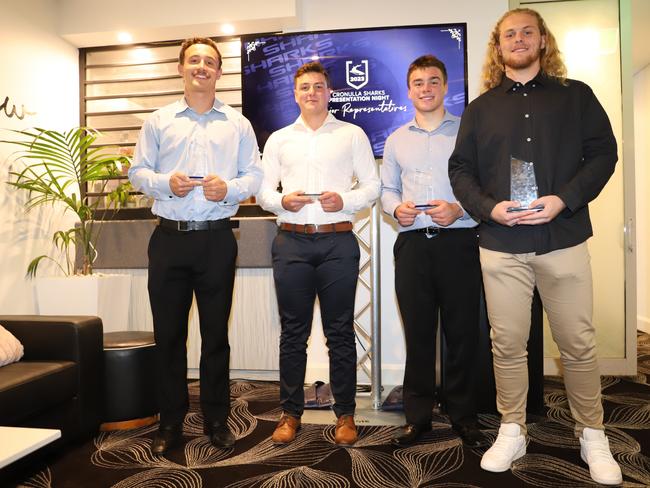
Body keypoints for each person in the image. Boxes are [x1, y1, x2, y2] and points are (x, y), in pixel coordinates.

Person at [448, 8, 622, 485]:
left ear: (542, 41)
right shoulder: (480, 108)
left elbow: (604, 153)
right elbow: (460, 168)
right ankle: (512, 427)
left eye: (528, 32)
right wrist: (488, 207)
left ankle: (593, 433)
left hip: (561, 237)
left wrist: (563, 198)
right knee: (506, 345)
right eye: (509, 34)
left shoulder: (576, 96)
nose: (519, 39)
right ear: (498, 47)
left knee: (578, 344)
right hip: (502, 242)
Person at [129, 37, 263, 456]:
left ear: (219, 72)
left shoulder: (238, 124)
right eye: (193, 61)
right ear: (181, 69)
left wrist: (230, 189)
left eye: (209, 61)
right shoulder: (157, 120)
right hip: (168, 239)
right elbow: (136, 173)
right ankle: (169, 422)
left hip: (216, 241)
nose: (201, 67)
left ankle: (217, 420)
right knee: (169, 336)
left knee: (215, 337)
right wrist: (163, 182)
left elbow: (254, 177)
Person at [257, 61, 380, 446]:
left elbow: (373, 187)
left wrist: (343, 198)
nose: (311, 92)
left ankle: (345, 414)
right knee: (293, 334)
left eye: (319, 86)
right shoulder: (278, 139)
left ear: (330, 92)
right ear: (295, 94)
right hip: (290, 242)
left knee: (339, 331)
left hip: (337, 243)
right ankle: (290, 414)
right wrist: (282, 201)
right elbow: (263, 193)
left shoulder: (353, 134)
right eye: (304, 87)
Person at [380, 55, 484, 448]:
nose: (426, 88)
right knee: (419, 335)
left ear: (445, 87)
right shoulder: (395, 139)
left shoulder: (468, 132)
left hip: (458, 243)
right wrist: (395, 209)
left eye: (433, 81)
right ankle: (418, 416)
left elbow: (482, 188)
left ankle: (463, 415)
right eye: (418, 82)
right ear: (409, 91)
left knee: (461, 334)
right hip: (412, 247)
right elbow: (387, 190)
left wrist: (460, 209)